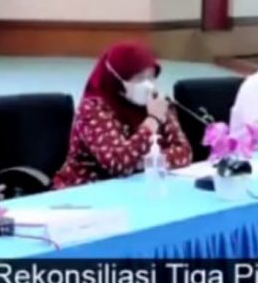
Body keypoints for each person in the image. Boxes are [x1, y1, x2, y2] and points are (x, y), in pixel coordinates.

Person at [53, 41, 192, 189]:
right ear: (117, 77)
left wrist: (141, 163)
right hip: (86, 190)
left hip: (138, 187)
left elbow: (184, 152)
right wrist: (153, 120)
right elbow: (118, 164)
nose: (147, 85)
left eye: (151, 77)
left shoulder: (156, 101)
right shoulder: (93, 108)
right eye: (139, 78)